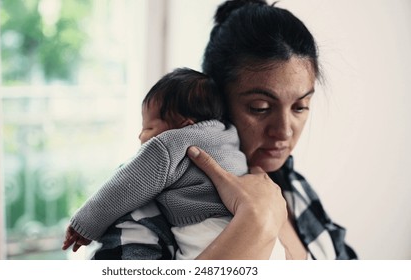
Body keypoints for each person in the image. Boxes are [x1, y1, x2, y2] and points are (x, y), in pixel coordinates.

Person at [90, 0, 357, 260]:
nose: (284, 131)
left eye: (300, 106)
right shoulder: (143, 214)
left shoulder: (294, 187)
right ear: (215, 100)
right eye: (260, 107)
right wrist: (253, 227)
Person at [62, 67, 248, 259]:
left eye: (148, 127)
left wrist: (84, 223)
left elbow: (126, 184)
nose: (141, 135)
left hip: (205, 230)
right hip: (247, 225)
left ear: (184, 126)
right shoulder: (230, 134)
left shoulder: (172, 143)